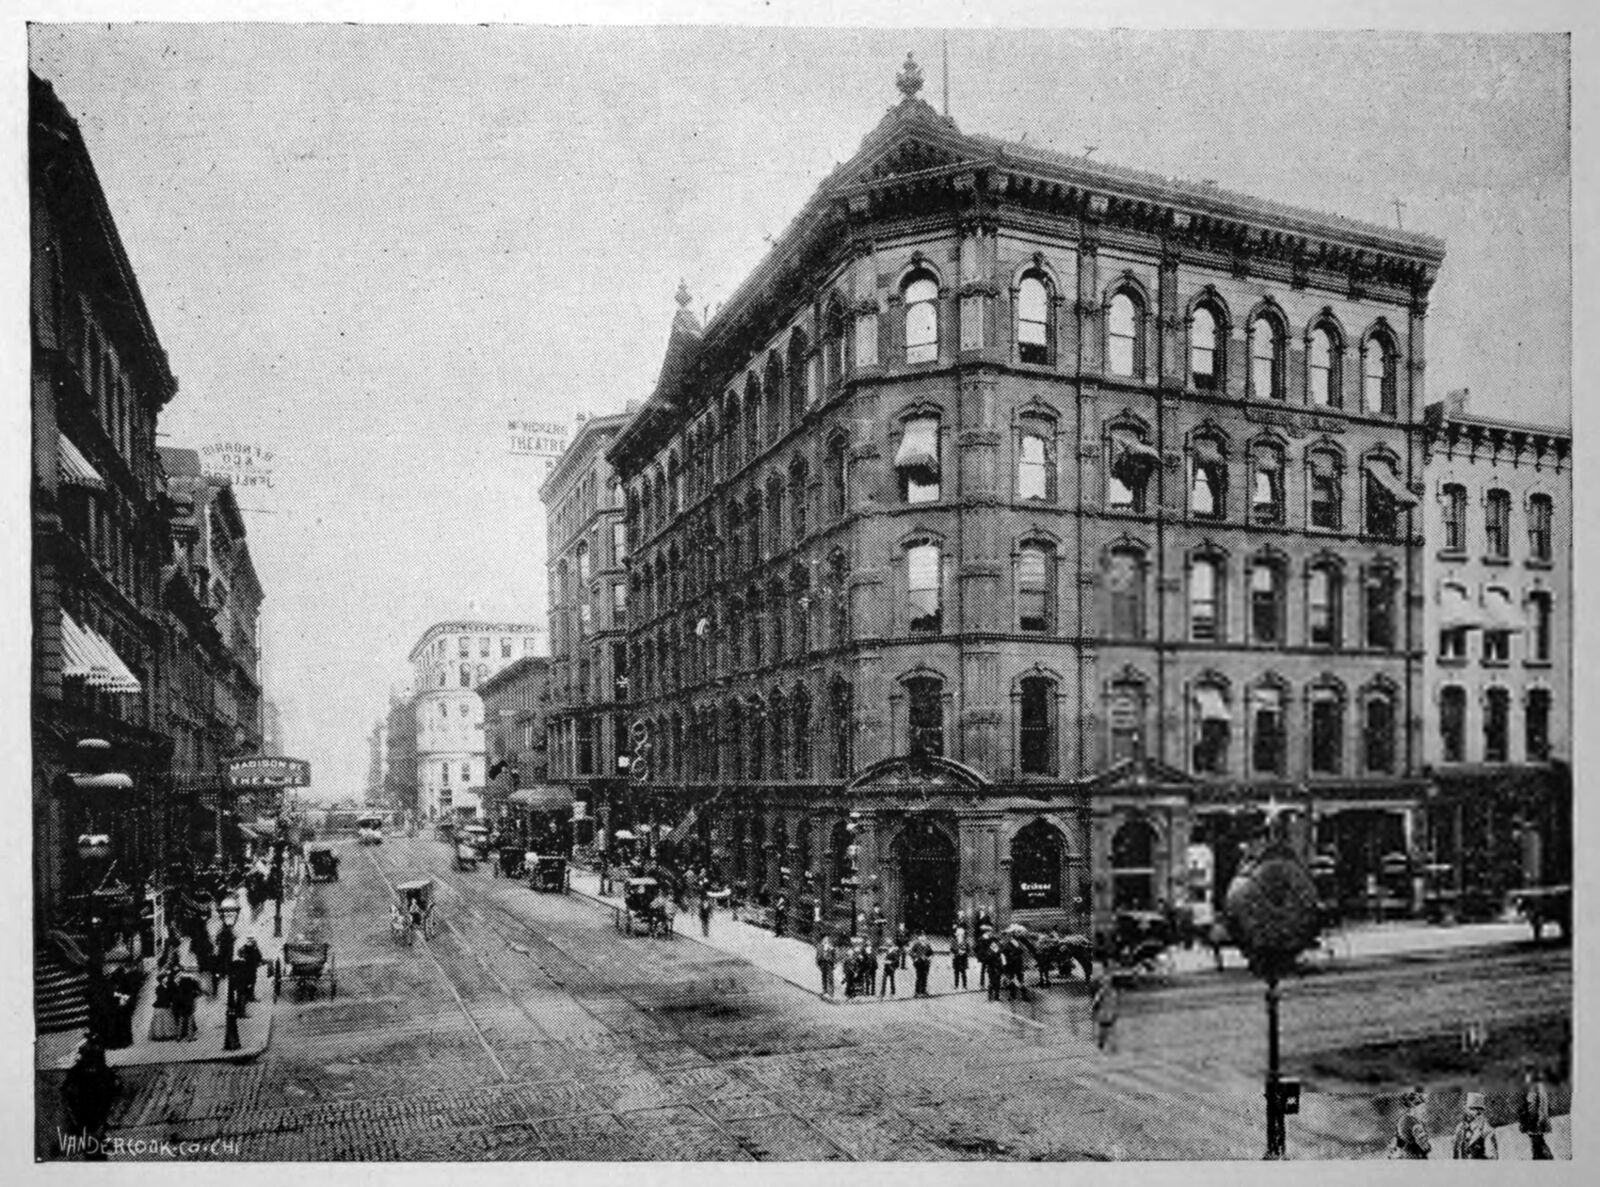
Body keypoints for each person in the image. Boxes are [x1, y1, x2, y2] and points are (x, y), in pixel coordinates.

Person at [60, 1037, 117, 1157]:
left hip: (92, 1109)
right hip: (86, 1109)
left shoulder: (100, 1071)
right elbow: (66, 1092)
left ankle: (93, 1139)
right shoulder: (80, 1071)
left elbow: (113, 1089)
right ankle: (92, 1139)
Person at [1518, 1063, 1553, 1160]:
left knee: (1538, 1142)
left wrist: (1536, 1123)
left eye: (1527, 1074)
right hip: (1535, 1121)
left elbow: (1537, 1106)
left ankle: (1547, 1159)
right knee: (1536, 1143)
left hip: (1536, 1122)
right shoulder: (1534, 1086)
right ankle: (1541, 1158)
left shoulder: (1536, 1087)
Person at [1451, 1091, 1498, 1159]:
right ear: (1465, 1109)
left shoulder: (1487, 1130)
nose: (1476, 1112)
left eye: (1478, 1109)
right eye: (1472, 1108)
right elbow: (1456, 1152)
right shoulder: (1460, 1127)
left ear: (1481, 1111)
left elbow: (1492, 1157)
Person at [1389, 1086, 1431, 1159]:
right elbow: (1425, 1147)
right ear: (1414, 1108)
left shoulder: (1403, 1120)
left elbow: (1395, 1142)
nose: (1424, 1111)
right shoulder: (1415, 1124)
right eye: (1422, 1108)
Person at [1091, 973, 1120, 1052]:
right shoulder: (1111, 991)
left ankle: (1106, 1046)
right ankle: (1108, 1046)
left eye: (1106, 981)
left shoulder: (1105, 991)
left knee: (1106, 1030)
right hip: (1108, 1013)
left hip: (1107, 1013)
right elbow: (1096, 1002)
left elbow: (1095, 1002)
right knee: (1107, 1030)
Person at [815, 932, 838, 998]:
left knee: (830, 977)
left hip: (829, 963)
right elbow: (818, 955)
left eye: (827, 939)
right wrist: (818, 963)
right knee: (824, 977)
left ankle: (831, 993)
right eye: (824, 939)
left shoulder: (831, 946)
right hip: (822, 963)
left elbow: (834, 955)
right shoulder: (820, 946)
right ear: (822, 939)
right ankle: (825, 991)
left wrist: (835, 963)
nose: (826, 940)